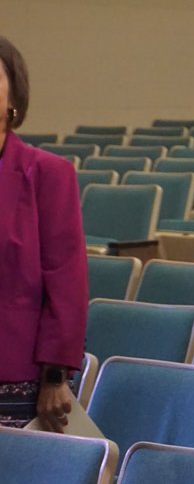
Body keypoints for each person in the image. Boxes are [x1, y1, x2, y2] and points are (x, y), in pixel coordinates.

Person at [0, 35, 88, 432]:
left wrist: (56, 376)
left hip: (16, 373)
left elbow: (66, 280)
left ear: (13, 99)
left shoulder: (48, 174)